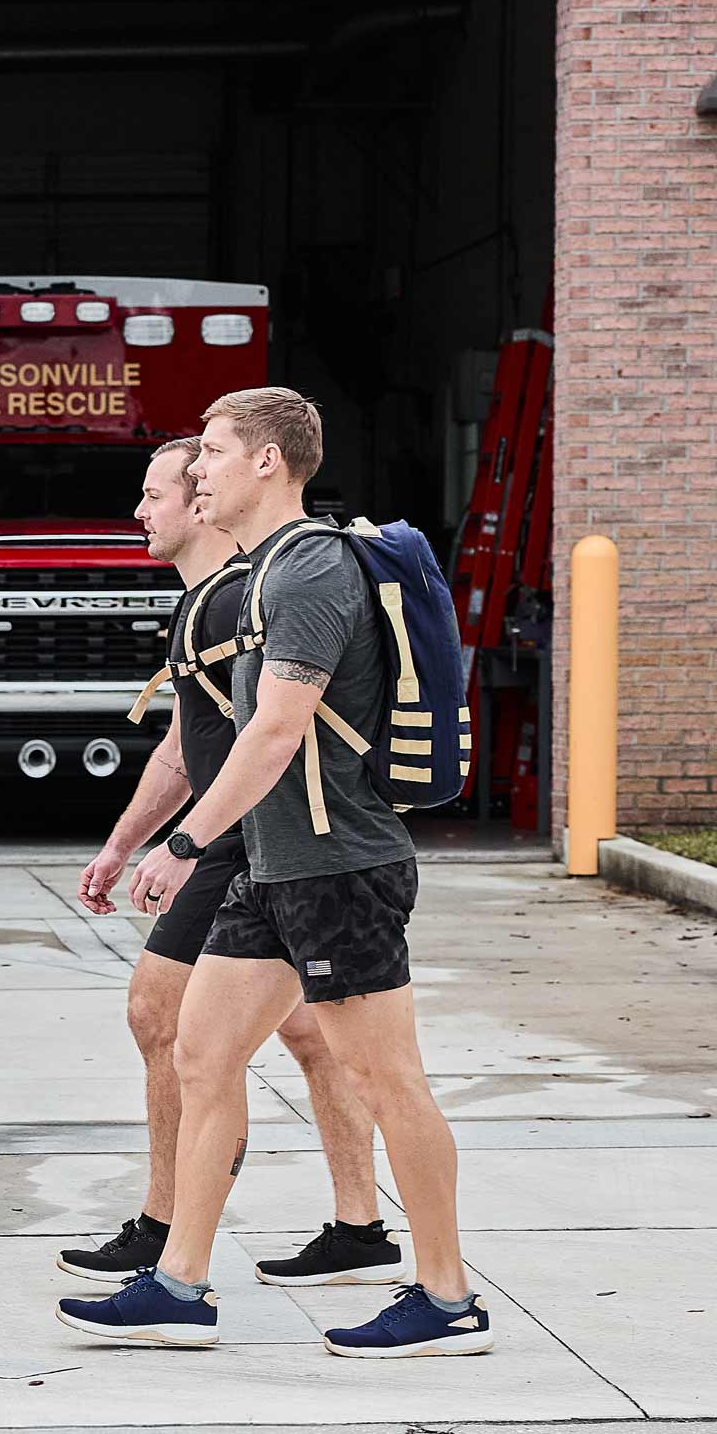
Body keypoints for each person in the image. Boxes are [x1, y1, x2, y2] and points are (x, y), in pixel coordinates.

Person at [56, 394, 492, 1358]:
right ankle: (179, 1286)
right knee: (201, 1055)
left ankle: (448, 1298)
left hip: (341, 869)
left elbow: (276, 729)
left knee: (388, 1079)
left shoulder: (311, 570)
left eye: (210, 452)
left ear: (267, 462)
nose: (196, 468)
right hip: (273, 868)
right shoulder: (254, 576)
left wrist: (182, 844)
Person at [61, 435, 403, 1294]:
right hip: (243, 846)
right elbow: (186, 745)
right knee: (305, 1036)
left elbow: (263, 739)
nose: (143, 510)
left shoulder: (242, 599)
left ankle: (171, 1233)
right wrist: (121, 843)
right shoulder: (208, 605)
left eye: (163, 490)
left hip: (254, 846)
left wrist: (180, 847)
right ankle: (357, 1227)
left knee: (168, 1020)